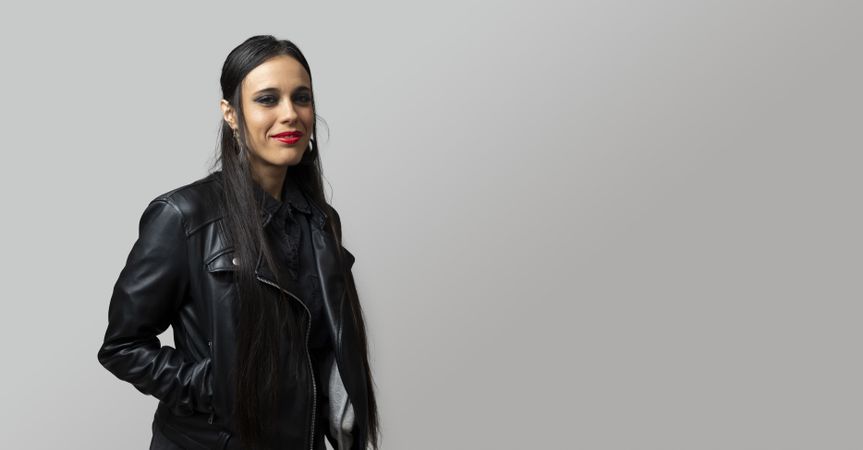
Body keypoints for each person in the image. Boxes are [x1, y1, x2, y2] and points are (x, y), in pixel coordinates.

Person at [97, 35, 380, 450]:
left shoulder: (320, 222)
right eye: (267, 99)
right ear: (231, 114)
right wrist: (219, 388)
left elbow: (323, 352)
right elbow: (122, 346)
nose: (290, 114)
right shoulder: (183, 216)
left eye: (301, 98)